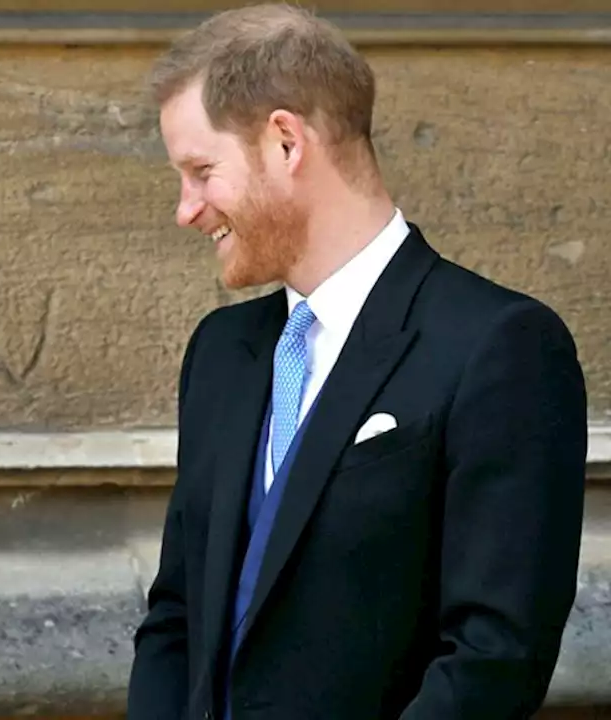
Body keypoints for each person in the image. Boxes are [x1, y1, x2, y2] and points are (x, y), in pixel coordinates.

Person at [126, 4, 587, 719]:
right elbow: (178, 616)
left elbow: (494, 657)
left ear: (285, 142)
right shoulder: (221, 354)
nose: (187, 209)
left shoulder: (501, 347)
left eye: (201, 171)